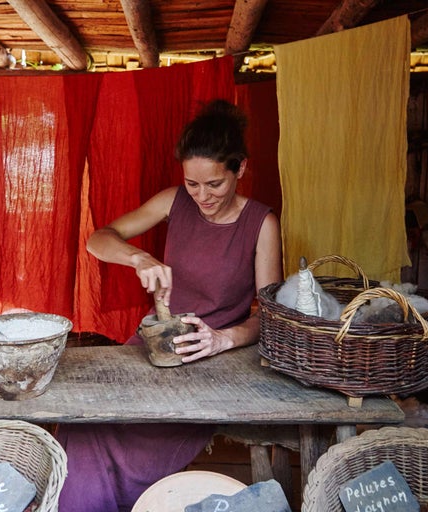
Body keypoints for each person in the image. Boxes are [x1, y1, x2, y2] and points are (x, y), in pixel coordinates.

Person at [56, 99, 283, 511]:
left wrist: (222, 339)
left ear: (241, 169)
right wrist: (137, 257)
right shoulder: (173, 202)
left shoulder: (261, 224)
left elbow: (270, 319)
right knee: (84, 425)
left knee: (138, 435)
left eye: (214, 184)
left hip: (210, 359)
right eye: (192, 184)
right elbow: (99, 238)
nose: (202, 196)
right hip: (154, 344)